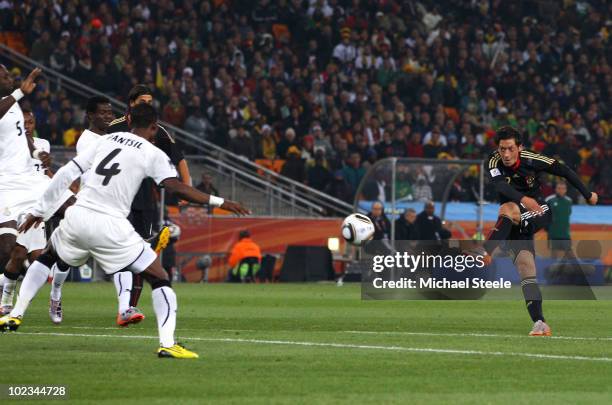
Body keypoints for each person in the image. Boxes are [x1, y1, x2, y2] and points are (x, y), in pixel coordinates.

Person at [0, 103, 250, 359]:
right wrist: (221, 202)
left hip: (78, 214)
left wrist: (40, 210)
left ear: (128, 119)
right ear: (154, 127)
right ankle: (167, 343)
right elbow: (176, 188)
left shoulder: (104, 140)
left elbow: (66, 173)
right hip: (110, 224)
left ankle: (15, 314)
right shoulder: (152, 153)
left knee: (47, 256)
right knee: (159, 276)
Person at [483, 126, 597, 336]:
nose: (505, 154)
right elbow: (501, 187)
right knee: (526, 269)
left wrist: (587, 193)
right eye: (502, 149)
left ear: (520, 147)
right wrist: (522, 199)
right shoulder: (492, 161)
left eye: (510, 149)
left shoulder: (531, 159)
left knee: (507, 208)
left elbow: (563, 170)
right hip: (515, 221)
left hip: (539, 210)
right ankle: (540, 322)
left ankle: (486, 250)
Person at [106, 84, 192, 324]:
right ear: (131, 103)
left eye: (150, 101)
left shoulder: (157, 130)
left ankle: (129, 307)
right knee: (125, 251)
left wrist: (187, 187)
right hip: (118, 197)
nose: (148, 104)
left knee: (141, 251)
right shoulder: (114, 127)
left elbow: (179, 158)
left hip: (145, 199)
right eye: (143, 100)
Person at [0, 108, 75, 319]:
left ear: (34, 124)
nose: (26, 126)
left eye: (30, 122)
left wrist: (60, 184)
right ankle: (6, 297)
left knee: (37, 257)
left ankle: (54, 295)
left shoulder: (43, 144)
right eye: (22, 122)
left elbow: (43, 173)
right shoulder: (7, 143)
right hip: (13, 197)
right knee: (16, 253)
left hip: (36, 199)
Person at [0, 66, 45, 307]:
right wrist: (18, 92)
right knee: (8, 248)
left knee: (23, 252)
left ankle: (6, 295)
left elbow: (23, 136)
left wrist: (37, 152)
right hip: (4, 186)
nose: (10, 78)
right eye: (4, 76)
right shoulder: (12, 100)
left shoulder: (14, 105)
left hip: (27, 184)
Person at [545, 181, 573, 258]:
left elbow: (568, 213)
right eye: (559, 188)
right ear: (556, 189)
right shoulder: (549, 200)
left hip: (565, 232)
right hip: (553, 232)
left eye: (563, 188)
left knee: (569, 252)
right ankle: (554, 269)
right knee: (554, 254)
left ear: (566, 190)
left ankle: (573, 269)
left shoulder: (569, 201)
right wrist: (547, 227)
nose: (561, 190)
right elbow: (545, 215)